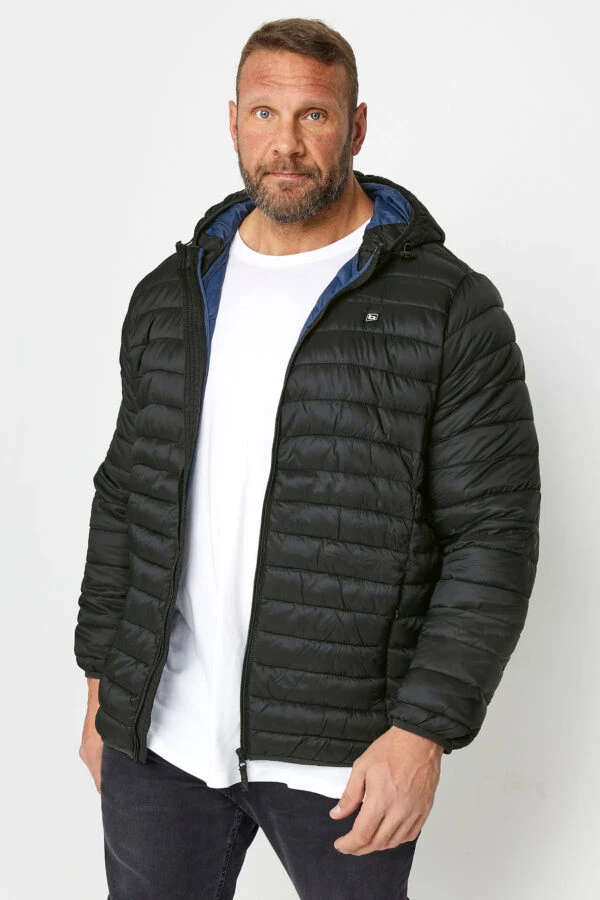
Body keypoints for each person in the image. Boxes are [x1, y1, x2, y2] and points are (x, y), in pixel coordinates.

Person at [74, 16, 541, 900]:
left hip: (347, 755)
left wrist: (423, 733)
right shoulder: (171, 297)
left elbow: (494, 537)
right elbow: (124, 495)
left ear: (356, 126)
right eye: (263, 113)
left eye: (313, 116)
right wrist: (103, 684)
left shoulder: (448, 307)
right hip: (160, 739)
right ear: (233, 120)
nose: (285, 143)